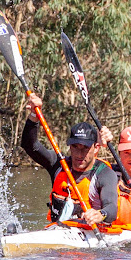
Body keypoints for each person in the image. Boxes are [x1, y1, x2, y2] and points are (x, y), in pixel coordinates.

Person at [21, 93, 118, 226]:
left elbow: (112, 208)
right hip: (57, 231)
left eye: (85, 148)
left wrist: (100, 214)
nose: (79, 154)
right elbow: (30, 145)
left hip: (91, 234)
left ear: (96, 148)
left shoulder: (105, 174)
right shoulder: (58, 164)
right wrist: (33, 116)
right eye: (75, 147)